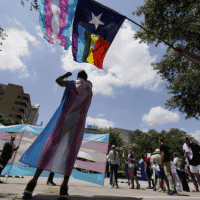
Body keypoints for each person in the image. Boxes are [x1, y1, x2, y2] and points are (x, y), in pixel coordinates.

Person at [21, 71, 93, 200]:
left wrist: (66, 75)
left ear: (78, 77)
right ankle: (64, 188)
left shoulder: (72, 83)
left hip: (64, 119)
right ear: (86, 79)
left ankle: (31, 184)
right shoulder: (89, 89)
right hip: (78, 123)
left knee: (50, 146)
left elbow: (58, 81)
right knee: (71, 151)